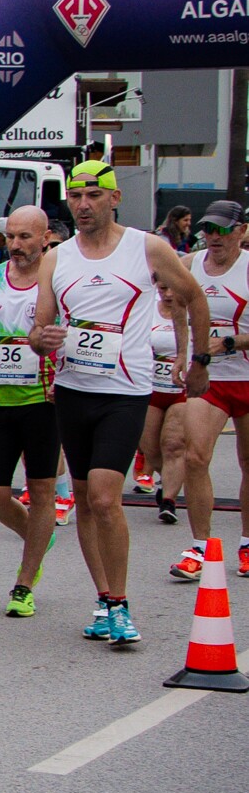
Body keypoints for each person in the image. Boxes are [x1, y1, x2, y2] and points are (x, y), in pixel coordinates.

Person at [33, 156, 209, 647]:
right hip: (73, 390)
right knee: (88, 501)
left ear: (115, 197)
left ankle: (121, 603)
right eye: (75, 196)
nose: (83, 205)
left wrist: (199, 359)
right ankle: (104, 598)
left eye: (93, 195)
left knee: (107, 497)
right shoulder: (57, 257)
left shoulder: (147, 248)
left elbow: (194, 297)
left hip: (125, 392)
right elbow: (39, 327)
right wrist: (42, 339)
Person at [0, 208, 64, 617]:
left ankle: (25, 582)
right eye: (11, 237)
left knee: (41, 492)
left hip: (44, 401)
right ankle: (38, 537)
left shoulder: (57, 279)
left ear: (46, 238)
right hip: (1, 400)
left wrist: (64, 373)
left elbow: (72, 331)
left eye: (25, 237)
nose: (16, 245)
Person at [167, 200, 249, 583]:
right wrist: (184, 353)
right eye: (208, 229)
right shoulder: (189, 264)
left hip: (246, 377)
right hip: (209, 379)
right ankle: (200, 546)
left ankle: (247, 543)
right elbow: (180, 311)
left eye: (222, 230)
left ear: (241, 231)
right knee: (195, 457)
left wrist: (231, 343)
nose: (213, 237)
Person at [146, 285, 190, 526]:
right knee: (151, 448)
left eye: (174, 289)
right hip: (151, 387)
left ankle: (169, 501)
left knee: (173, 444)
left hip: (181, 390)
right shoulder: (148, 307)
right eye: (163, 289)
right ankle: (170, 478)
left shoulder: (195, 309)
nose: (169, 294)